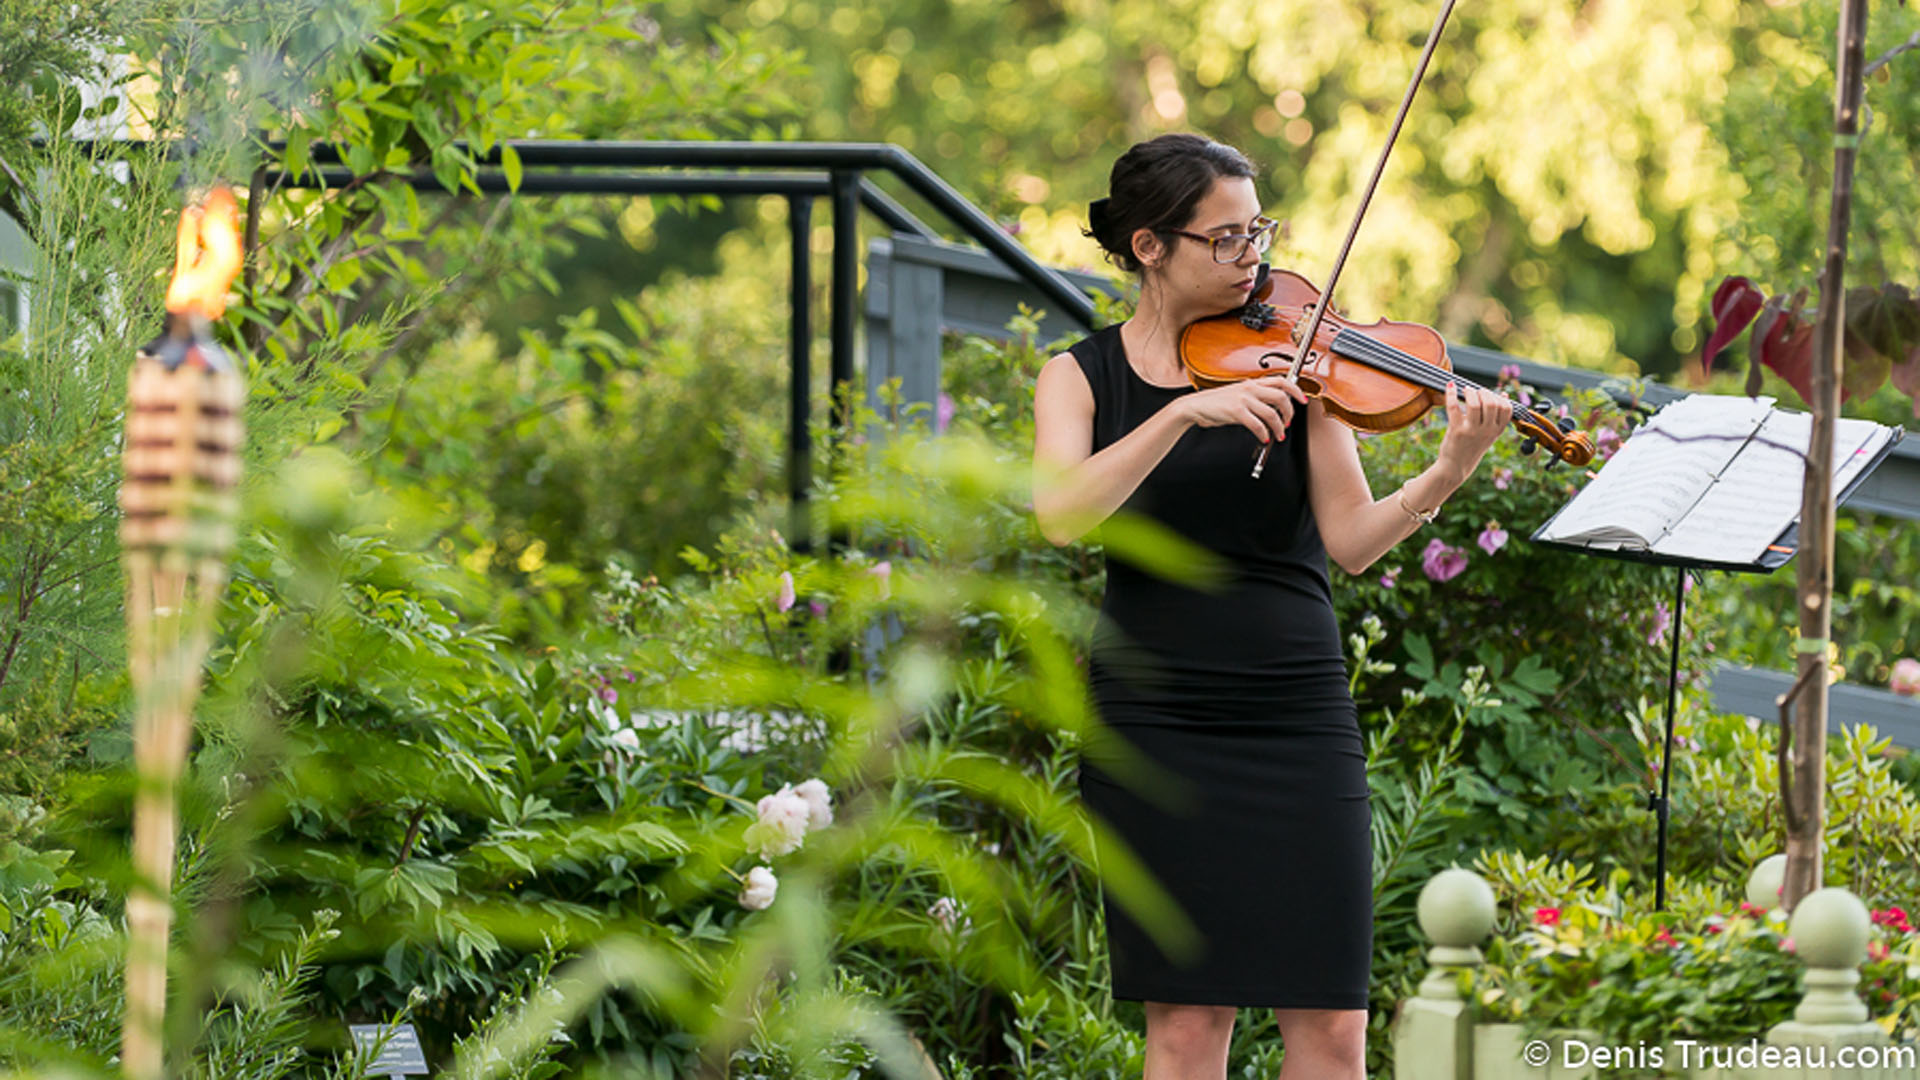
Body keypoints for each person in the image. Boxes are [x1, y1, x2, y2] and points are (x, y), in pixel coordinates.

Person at [1030, 133, 1509, 1080]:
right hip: (1156, 728)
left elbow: (1351, 541)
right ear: (1150, 247)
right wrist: (1177, 415)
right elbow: (1060, 517)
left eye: (1260, 233)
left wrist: (1447, 472)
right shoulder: (1081, 378)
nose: (1255, 258)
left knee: (1334, 1031)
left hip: (1297, 714)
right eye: (1229, 239)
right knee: (1187, 1028)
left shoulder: (1301, 361)